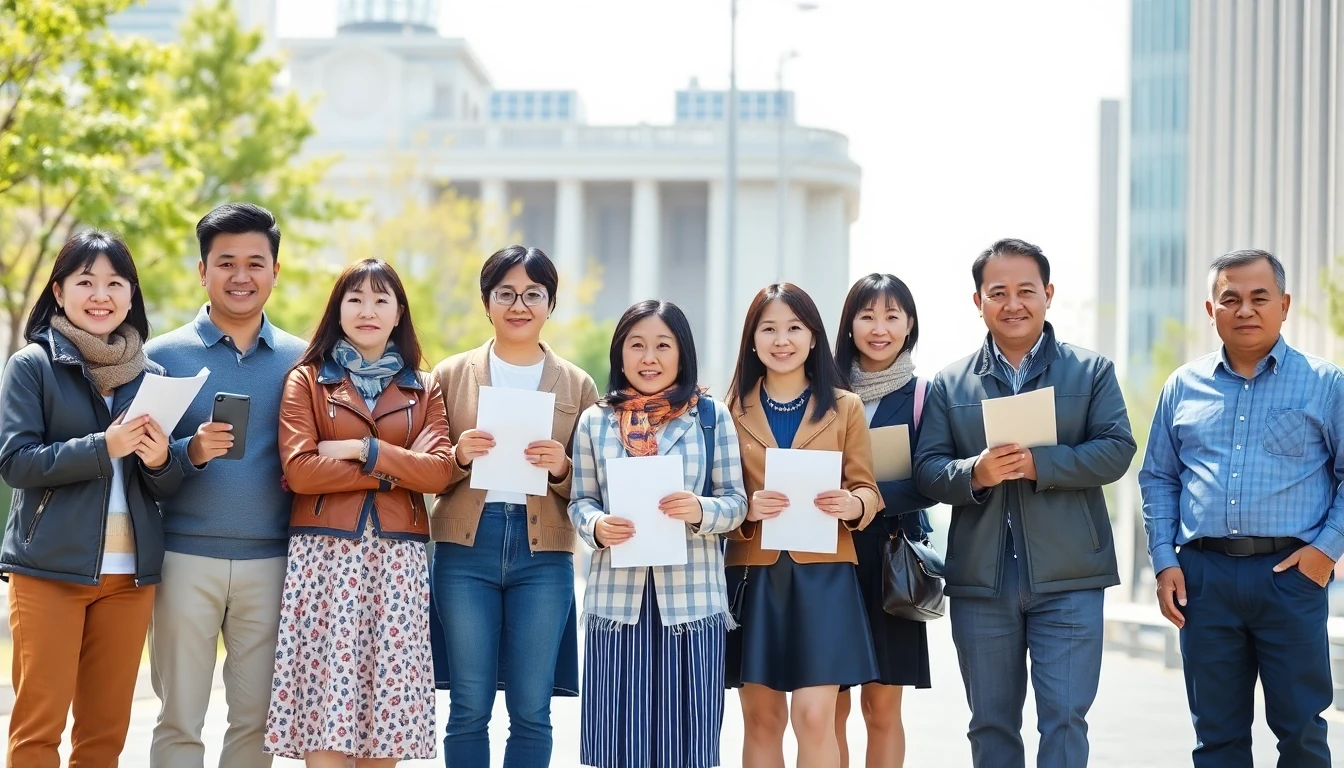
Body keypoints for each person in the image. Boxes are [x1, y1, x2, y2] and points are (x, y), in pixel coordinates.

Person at [913, 238, 1135, 768]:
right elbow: (926, 471)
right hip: (981, 582)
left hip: (1070, 578)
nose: (1013, 303)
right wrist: (976, 473)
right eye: (998, 292)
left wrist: (1043, 465)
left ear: (1048, 295)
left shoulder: (1091, 371)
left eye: (1026, 291)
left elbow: (1118, 450)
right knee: (991, 725)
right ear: (978, 302)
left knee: (1064, 720)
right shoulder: (948, 384)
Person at [1139, 249, 1340, 767]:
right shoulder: (1182, 386)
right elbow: (1158, 477)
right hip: (1203, 580)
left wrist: (1326, 552)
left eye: (1259, 298)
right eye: (1230, 299)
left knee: (1301, 733)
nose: (1245, 309)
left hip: (1290, 577)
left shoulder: (1327, 385)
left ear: (1284, 304)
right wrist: (1164, 560)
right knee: (1217, 738)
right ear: (1212, 310)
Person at [0, 230, 182, 766]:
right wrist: (105, 447)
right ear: (59, 292)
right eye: (86, 282)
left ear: (131, 295)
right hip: (50, 571)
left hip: (130, 579)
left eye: (114, 283)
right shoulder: (32, 366)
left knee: (104, 735)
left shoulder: (152, 376)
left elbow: (161, 486)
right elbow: (16, 463)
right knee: (38, 730)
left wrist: (160, 460)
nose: (100, 294)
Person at [266, 258, 453, 765]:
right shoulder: (306, 381)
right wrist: (397, 469)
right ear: (338, 311)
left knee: (385, 725)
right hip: (323, 560)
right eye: (356, 299)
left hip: (398, 564)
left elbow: (438, 472)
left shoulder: (425, 385)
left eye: (380, 299)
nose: (367, 310)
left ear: (398, 314)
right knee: (324, 716)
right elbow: (301, 472)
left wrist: (360, 450)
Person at [146, 202, 308, 768]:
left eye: (255, 263)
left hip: (273, 560)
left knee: (257, 723)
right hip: (182, 556)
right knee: (179, 718)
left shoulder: (302, 362)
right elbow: (141, 472)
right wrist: (188, 455)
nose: (241, 277)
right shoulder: (160, 358)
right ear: (202, 271)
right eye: (226, 263)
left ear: (275, 271)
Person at [429, 245, 599, 767]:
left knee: (531, 708)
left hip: (543, 552)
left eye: (532, 294)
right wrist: (457, 456)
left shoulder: (576, 383)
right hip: (464, 549)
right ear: (486, 302)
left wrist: (563, 469)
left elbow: (596, 485)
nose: (519, 304)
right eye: (505, 293)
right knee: (469, 705)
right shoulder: (452, 374)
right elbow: (426, 464)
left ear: (550, 304)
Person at [568, 300, 748, 768]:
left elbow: (737, 504)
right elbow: (579, 501)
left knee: (686, 745)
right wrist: (596, 526)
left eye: (662, 346)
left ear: (681, 354)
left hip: (690, 604)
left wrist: (699, 510)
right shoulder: (594, 421)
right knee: (616, 744)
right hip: (617, 604)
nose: (649, 357)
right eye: (637, 345)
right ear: (620, 354)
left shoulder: (711, 417)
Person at [724, 282, 882, 768]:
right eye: (768, 328)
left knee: (816, 716)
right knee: (763, 719)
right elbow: (716, 500)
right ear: (752, 339)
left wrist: (851, 505)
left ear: (814, 337)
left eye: (794, 327)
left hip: (825, 576)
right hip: (756, 575)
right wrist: (746, 509)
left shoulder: (844, 407)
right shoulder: (727, 411)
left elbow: (868, 490)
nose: (782, 339)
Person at [831, 274, 936, 768]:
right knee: (828, 704)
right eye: (867, 315)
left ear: (909, 325)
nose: (880, 328)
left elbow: (931, 479)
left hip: (892, 561)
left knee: (882, 706)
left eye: (892, 316)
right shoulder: (821, 391)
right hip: (826, 557)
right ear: (848, 324)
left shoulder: (924, 397)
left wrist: (864, 498)